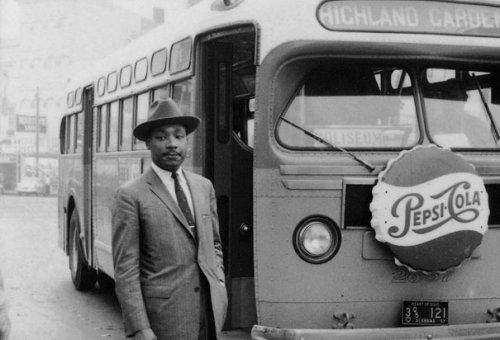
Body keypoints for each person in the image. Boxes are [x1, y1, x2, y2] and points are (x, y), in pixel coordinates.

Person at [112, 99, 227, 340]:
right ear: (148, 143)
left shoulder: (203, 187)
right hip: (164, 320)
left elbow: (214, 243)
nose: (172, 144)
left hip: (209, 316)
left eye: (179, 136)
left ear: (187, 141)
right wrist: (140, 327)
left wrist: (219, 283)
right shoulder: (131, 195)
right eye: (162, 137)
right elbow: (126, 270)